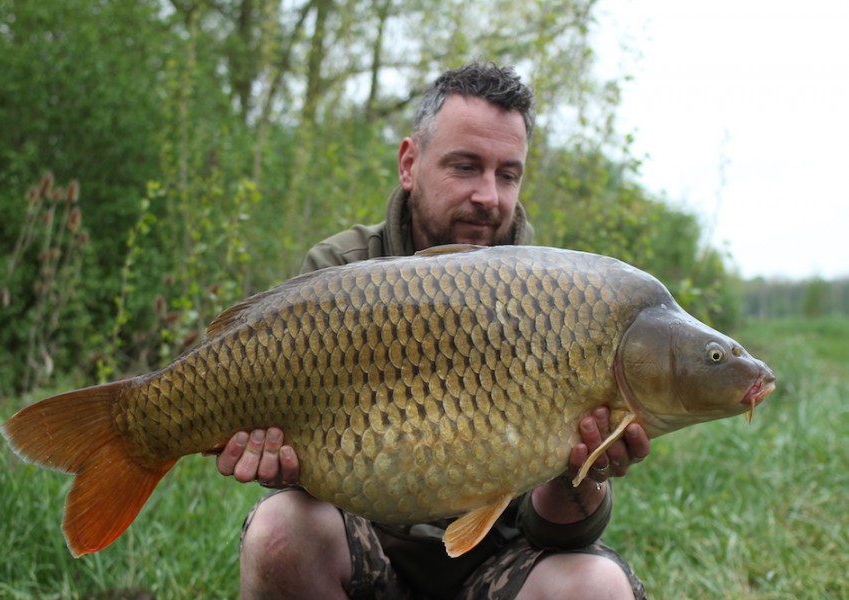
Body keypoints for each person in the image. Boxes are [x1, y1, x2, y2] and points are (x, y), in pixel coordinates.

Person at [217, 62, 650, 599]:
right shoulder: (339, 272)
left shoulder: (559, 299)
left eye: (507, 174)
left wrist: (579, 474)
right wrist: (278, 462)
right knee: (280, 531)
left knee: (597, 586)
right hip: (365, 557)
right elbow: (303, 470)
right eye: (466, 167)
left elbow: (559, 533)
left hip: (496, 567)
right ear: (409, 163)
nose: (488, 195)